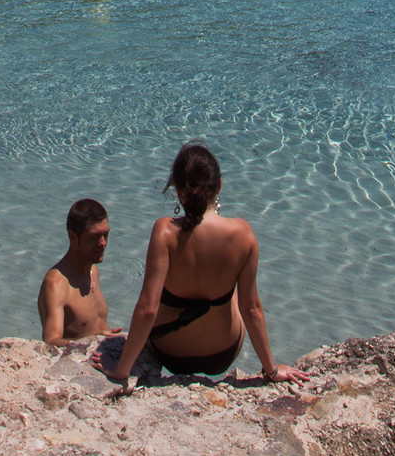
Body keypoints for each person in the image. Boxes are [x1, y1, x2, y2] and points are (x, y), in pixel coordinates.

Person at [92, 143, 309, 388]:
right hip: (222, 354)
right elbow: (251, 309)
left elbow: (147, 309)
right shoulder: (243, 234)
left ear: (177, 189)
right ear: (219, 185)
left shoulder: (164, 232)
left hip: (169, 353)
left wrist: (121, 371)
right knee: (233, 287)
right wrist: (271, 370)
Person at [38, 198, 111, 342]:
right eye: (94, 237)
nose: (103, 243)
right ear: (73, 237)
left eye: (106, 235)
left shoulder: (93, 270)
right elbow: (51, 341)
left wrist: (107, 335)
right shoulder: (56, 283)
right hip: (74, 362)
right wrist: (91, 344)